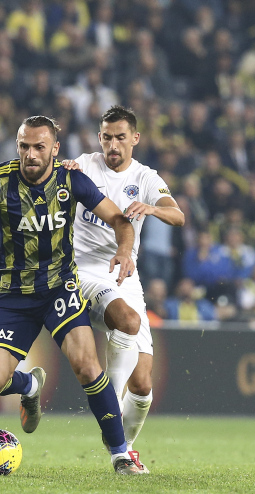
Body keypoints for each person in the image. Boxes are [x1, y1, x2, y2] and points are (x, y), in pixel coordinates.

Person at [0, 116, 143, 475]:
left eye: (39, 147)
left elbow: (120, 220)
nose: (30, 154)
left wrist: (124, 251)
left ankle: (120, 454)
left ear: (55, 149)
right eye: (24, 146)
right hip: (11, 295)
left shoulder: (72, 180)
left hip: (59, 287)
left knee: (87, 366)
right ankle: (30, 385)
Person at [62, 106, 185, 473]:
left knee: (143, 385)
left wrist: (152, 208)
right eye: (106, 137)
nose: (112, 145)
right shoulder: (84, 166)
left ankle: (124, 449)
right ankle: (110, 409)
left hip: (125, 274)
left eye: (119, 137)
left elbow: (178, 215)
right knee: (128, 321)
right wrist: (62, 172)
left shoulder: (146, 177)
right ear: (99, 138)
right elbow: (58, 179)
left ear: (135, 138)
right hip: (83, 270)